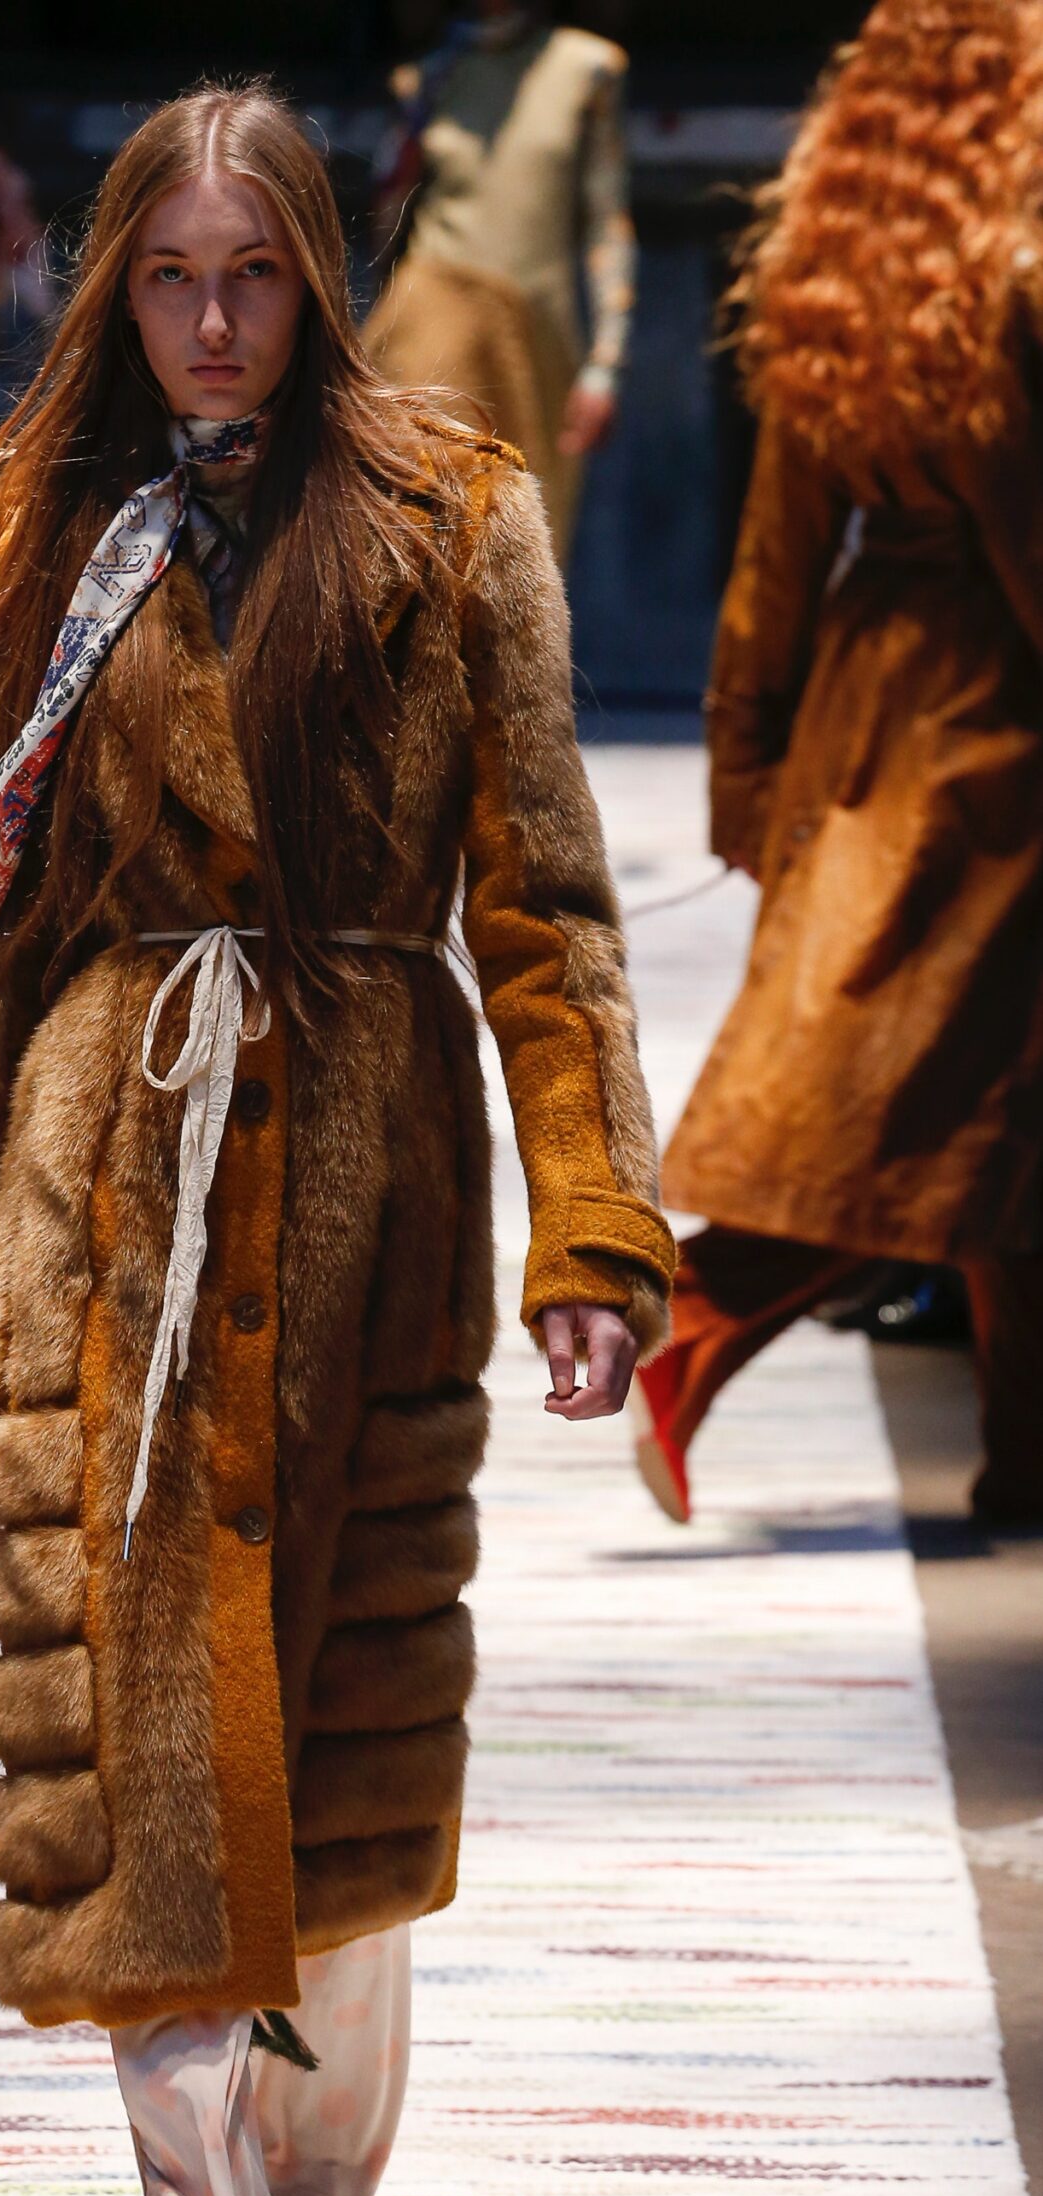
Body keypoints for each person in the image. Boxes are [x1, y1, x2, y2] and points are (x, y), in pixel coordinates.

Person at [0, 81, 675, 2196]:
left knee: (313, 1691)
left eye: (249, 276)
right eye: (166, 276)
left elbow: (542, 903)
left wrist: (593, 1224)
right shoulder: (50, 524)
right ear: (111, 283)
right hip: (91, 1167)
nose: (209, 323)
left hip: (355, 1167)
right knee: (148, 1725)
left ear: (313, 277)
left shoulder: (452, 518)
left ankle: (297, 2157)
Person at [636, 0, 1043, 1532]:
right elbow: (1024, 531)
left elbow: (773, 550)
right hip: (991, 713)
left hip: (866, 692)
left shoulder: (840, 260)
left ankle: (1025, 1456)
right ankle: (697, 1315)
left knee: (996, 1106)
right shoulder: (1003, 275)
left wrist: (744, 761)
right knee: (943, 1099)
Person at [362, 0, 634, 556]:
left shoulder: (589, 67)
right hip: (430, 318)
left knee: (524, 561)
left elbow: (607, 220)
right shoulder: (428, 77)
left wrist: (607, 362)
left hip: (535, 343)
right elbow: (387, 234)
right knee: (421, 542)